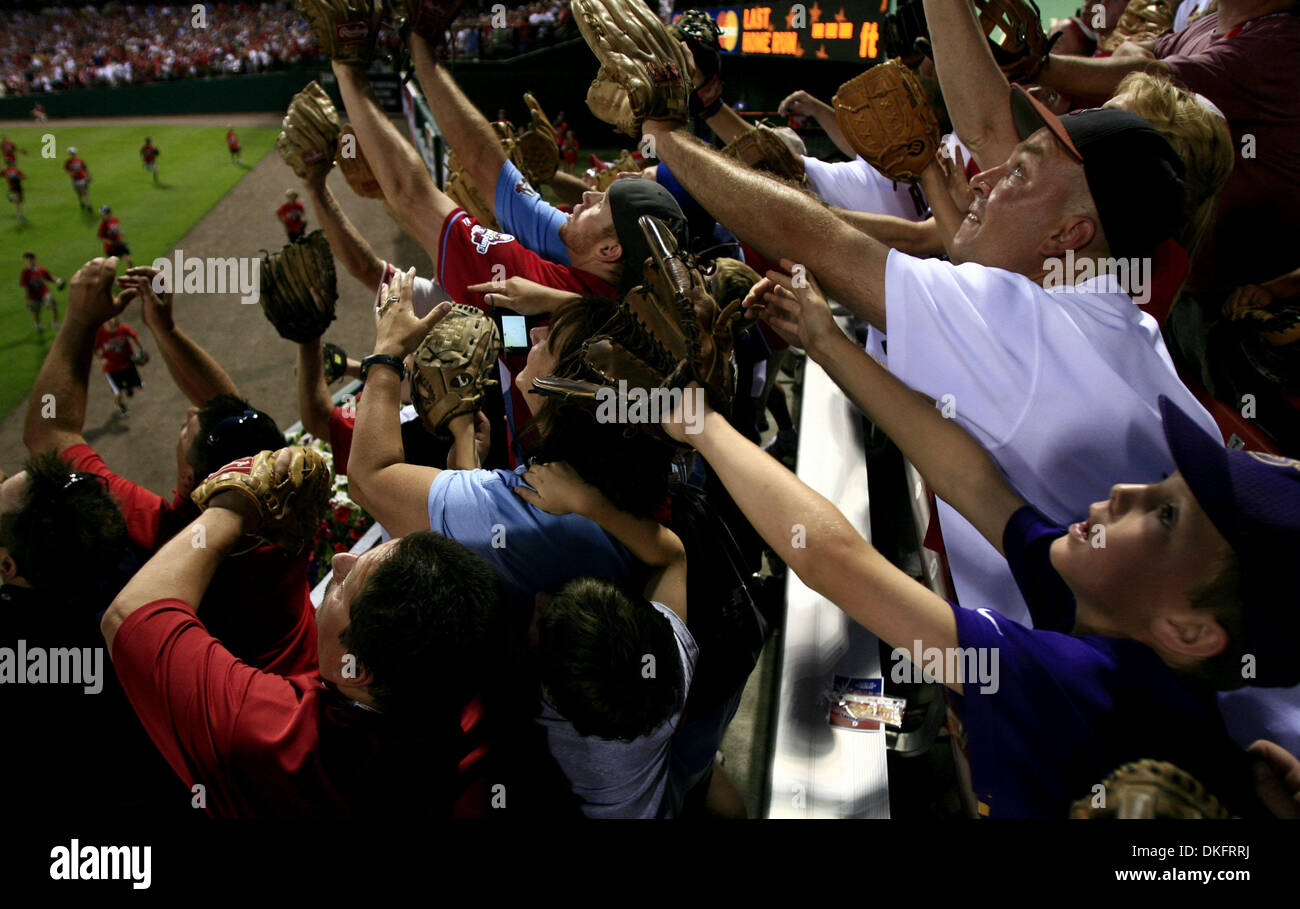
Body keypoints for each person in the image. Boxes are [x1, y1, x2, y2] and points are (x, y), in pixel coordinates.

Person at [666, 266, 1300, 816]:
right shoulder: (1109, 605)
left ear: (1187, 631)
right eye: (1162, 482)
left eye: (1165, 516)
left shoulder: (1087, 686)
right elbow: (968, 476)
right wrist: (825, 340)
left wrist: (703, 425)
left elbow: (834, 562)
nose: (1132, 491)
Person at [99, 465, 512, 818]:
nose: (339, 560)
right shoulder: (479, 682)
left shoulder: (268, 736)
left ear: (356, 667)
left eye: (345, 585)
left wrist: (232, 506)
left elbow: (131, 613)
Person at [26, 257, 319, 679]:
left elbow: (49, 432)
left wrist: (79, 320)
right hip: (302, 679)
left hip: (230, 718)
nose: (187, 412)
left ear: (189, 478)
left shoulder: (169, 531)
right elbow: (232, 418)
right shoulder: (284, 502)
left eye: (187, 431)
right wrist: (166, 330)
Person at [516, 461, 696, 818]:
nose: (539, 601)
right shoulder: (673, 661)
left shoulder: (538, 720)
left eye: (543, 619)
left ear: (550, 693)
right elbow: (672, 558)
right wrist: (587, 501)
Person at [94, 314, 145, 416]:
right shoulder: (100, 333)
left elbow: (134, 336)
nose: (109, 322)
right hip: (111, 368)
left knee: (139, 386)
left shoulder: (122, 328)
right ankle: (122, 406)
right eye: (107, 321)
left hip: (126, 362)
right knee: (117, 392)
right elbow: (95, 349)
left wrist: (142, 349)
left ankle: (129, 386)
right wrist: (101, 360)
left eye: (111, 319)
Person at [19, 251, 61, 336]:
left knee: (53, 306)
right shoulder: (25, 273)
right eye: (27, 260)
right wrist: (27, 299)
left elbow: (50, 277)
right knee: (36, 313)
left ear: (35, 260)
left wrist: (58, 281)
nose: (30, 262)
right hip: (33, 296)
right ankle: (38, 324)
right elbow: (26, 287)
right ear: (25, 262)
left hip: (44, 293)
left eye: (31, 260)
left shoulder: (41, 269)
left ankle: (55, 323)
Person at [65, 146, 91, 211]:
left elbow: (85, 168)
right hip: (74, 180)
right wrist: (71, 173)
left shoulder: (80, 160)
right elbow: (68, 170)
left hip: (82, 179)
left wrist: (88, 175)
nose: (72, 155)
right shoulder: (68, 162)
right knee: (79, 193)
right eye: (71, 154)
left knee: (85, 192)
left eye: (73, 153)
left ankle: (88, 205)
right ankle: (81, 202)